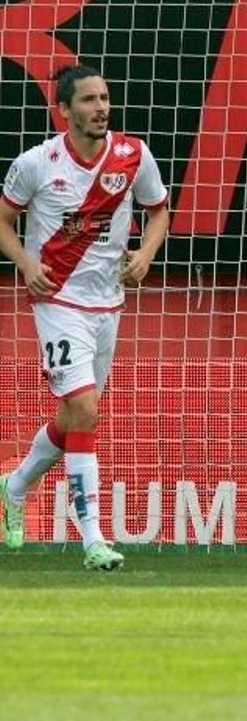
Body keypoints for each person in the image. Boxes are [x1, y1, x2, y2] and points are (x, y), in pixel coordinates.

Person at [0, 65, 171, 571]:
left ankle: (14, 486)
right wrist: (27, 264)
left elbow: (160, 209)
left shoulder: (133, 155)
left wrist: (145, 254)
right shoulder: (37, 163)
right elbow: (3, 220)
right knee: (87, 410)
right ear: (65, 109)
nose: (101, 108)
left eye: (105, 98)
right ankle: (93, 539)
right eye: (89, 100)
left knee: (74, 416)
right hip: (57, 301)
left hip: (107, 303)